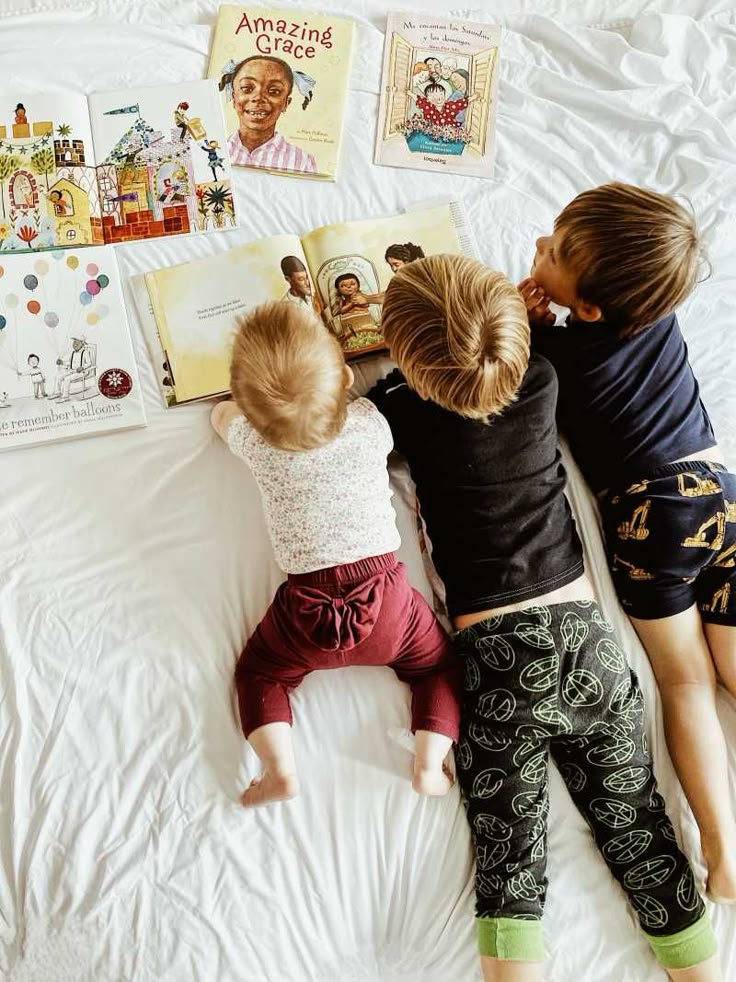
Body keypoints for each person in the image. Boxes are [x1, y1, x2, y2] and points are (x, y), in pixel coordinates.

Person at [366, 254, 720, 982]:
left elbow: (373, 402)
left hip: (494, 655)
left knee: (509, 859)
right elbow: (504, 357)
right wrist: (519, 325)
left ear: (408, 359)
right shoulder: (540, 379)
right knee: (639, 833)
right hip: (585, 639)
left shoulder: (397, 409)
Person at [519, 182, 736, 904]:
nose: (540, 247)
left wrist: (527, 323)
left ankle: (721, 848)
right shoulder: (659, 308)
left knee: (687, 681)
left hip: (655, 516)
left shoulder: (553, 357)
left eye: (552, 250)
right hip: (721, 494)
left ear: (586, 308)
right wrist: (553, 300)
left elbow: (521, 362)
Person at [209, 301, 460, 808]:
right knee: (436, 667)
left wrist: (236, 408)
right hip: (387, 600)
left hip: (306, 609)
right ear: (346, 377)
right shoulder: (370, 422)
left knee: (260, 673)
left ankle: (279, 770)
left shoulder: (256, 442)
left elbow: (220, 417)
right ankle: (429, 764)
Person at [218, 56, 317, 175]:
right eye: (247, 88)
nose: (258, 97)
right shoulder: (216, 150)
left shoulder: (302, 162)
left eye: (274, 91)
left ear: (286, 103)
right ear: (234, 98)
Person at [334, 272, 381, 339]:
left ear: (358, 286)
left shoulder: (361, 296)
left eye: (352, 284)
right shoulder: (342, 301)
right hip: (350, 324)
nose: (349, 287)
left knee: (370, 334)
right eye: (343, 286)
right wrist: (351, 304)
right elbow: (342, 311)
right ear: (338, 290)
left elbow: (367, 305)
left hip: (365, 321)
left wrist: (361, 301)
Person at [49, 337, 92, 403]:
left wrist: (82, 367)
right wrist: (62, 362)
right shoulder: (73, 353)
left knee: (67, 378)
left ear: (82, 344)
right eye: (74, 343)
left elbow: (89, 363)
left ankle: (65, 396)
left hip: (82, 372)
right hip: (72, 370)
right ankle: (58, 392)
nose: (75, 344)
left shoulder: (85, 352)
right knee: (58, 376)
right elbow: (70, 363)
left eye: (77, 343)